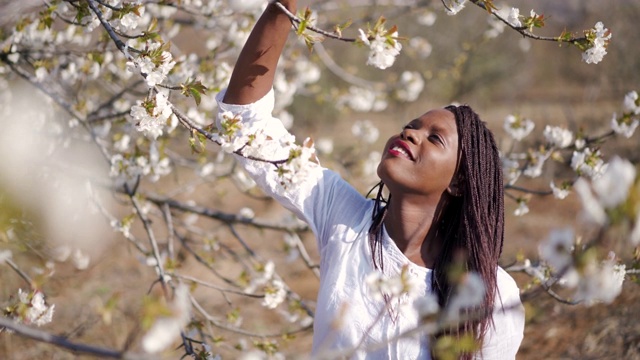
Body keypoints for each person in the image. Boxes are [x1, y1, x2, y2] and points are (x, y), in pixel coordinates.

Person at [216, 0, 525, 358]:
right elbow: (243, 123)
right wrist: (283, 7)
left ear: (459, 182)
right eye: (412, 126)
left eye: (434, 138)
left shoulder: (492, 295)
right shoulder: (344, 220)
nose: (410, 134)